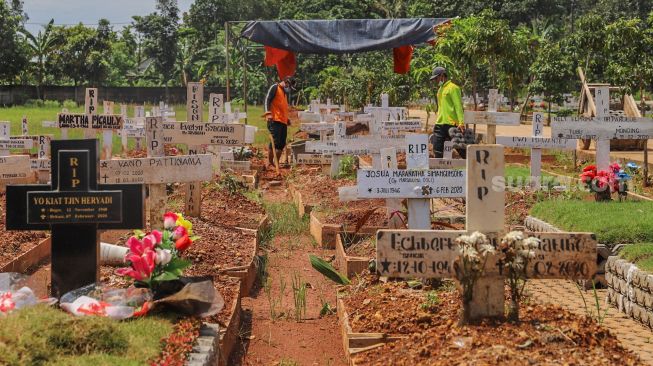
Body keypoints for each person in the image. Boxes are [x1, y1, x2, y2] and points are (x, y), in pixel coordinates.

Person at [430, 66, 466, 159]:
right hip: (439, 124)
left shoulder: (453, 88)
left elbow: (458, 106)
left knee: (463, 151)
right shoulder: (440, 89)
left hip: (452, 124)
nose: (435, 81)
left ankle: (475, 170)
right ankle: (438, 172)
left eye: (436, 78)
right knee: (437, 150)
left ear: (442, 75)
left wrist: (461, 122)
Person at [264, 77, 293, 168]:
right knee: (275, 142)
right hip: (275, 120)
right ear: (285, 82)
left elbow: (282, 108)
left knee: (281, 143)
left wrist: (286, 119)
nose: (288, 88)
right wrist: (268, 113)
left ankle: (276, 163)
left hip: (283, 121)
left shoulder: (284, 93)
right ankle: (270, 163)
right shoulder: (275, 87)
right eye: (288, 85)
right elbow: (267, 100)